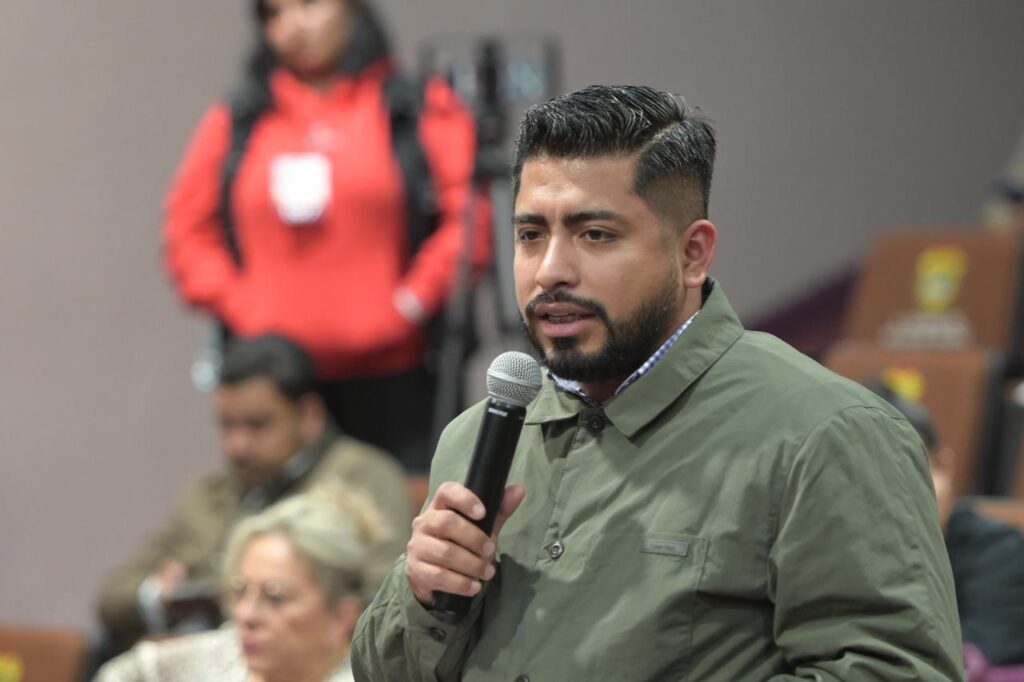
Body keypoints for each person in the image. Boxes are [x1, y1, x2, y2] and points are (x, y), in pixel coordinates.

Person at [351, 85, 963, 680]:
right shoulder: (473, 441)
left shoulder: (827, 435)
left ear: (693, 253)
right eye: (530, 235)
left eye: (595, 235)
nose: (550, 271)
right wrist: (423, 596)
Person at [162, 0, 489, 474]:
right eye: (274, 13)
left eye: (309, 4)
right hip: (278, 389)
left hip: (399, 384)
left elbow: (469, 222)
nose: (293, 25)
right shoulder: (240, 118)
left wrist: (411, 302)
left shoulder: (412, 107)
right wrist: (245, 309)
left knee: (411, 512)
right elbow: (187, 233)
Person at [95, 334, 411, 655]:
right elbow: (111, 598)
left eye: (258, 425)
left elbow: (388, 607)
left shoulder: (364, 481)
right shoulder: (207, 495)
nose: (238, 446)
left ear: (309, 415)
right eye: (227, 425)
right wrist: (160, 596)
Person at [97, 486, 381, 681]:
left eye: (275, 597)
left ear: (342, 616)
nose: (246, 615)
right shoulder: (222, 655)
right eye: (241, 590)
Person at [869, 382, 1024, 667]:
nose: (891, 498)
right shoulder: (833, 550)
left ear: (943, 466)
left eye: (906, 472)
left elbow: (980, 652)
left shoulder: (1000, 550)